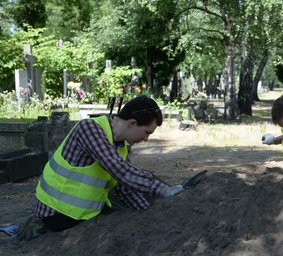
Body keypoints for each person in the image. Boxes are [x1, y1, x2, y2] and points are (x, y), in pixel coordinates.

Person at [18, 95, 185, 239]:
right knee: (118, 223)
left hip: (80, 212)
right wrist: (164, 190)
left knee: (124, 211)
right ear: (132, 123)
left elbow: (125, 187)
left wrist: (149, 213)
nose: (147, 139)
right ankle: (33, 228)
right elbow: (121, 172)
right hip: (55, 214)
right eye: (147, 132)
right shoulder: (89, 129)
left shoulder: (119, 147)